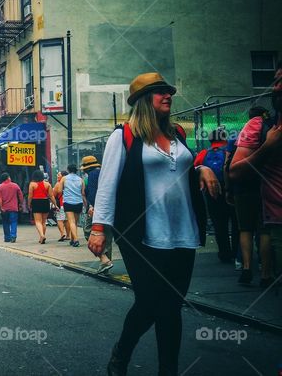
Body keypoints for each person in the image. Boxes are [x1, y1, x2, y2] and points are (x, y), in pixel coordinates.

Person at [89, 72, 219, 376]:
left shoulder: (178, 134)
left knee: (171, 306)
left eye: (168, 92)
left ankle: (167, 370)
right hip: (141, 234)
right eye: (160, 92)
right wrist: (99, 229)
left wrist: (200, 168)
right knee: (149, 301)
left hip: (182, 233)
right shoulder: (124, 136)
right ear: (144, 101)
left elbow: (179, 167)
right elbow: (107, 185)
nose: (167, 96)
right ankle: (122, 352)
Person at [230, 63, 281, 288]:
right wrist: (268, 146)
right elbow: (233, 169)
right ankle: (265, 273)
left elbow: (228, 169)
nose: (276, 87)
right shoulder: (264, 128)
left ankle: (249, 269)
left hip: (246, 192)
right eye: (275, 81)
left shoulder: (247, 132)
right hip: (259, 195)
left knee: (246, 229)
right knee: (262, 231)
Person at [194, 127, 237, 264]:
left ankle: (224, 253)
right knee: (236, 223)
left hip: (211, 193)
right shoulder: (228, 152)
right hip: (230, 190)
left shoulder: (203, 153)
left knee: (219, 223)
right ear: (224, 138)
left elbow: (195, 169)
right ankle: (237, 253)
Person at [81, 155, 114, 274]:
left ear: (86, 168)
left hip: (97, 209)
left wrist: (92, 206)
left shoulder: (93, 175)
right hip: (109, 208)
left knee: (88, 231)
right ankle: (106, 266)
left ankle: (104, 260)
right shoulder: (102, 172)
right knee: (107, 236)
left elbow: (94, 192)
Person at [60, 164, 86, 247]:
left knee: (71, 222)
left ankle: (76, 239)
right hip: (78, 202)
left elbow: (60, 190)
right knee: (75, 222)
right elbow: (83, 193)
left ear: (68, 170)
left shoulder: (64, 178)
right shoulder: (80, 179)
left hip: (68, 202)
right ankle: (72, 239)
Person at [28, 170, 55, 243]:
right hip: (45, 202)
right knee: (43, 222)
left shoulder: (32, 184)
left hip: (36, 202)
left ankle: (42, 235)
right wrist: (55, 204)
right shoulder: (47, 184)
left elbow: (30, 196)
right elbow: (51, 196)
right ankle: (42, 237)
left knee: (37, 221)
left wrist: (29, 204)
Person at [0, 173, 23, 243]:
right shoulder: (15, 185)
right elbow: (20, 196)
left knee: (5, 223)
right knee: (14, 222)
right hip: (14, 208)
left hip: (5, 208)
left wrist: (1, 207)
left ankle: (7, 237)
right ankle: (13, 236)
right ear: (8, 178)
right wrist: (20, 204)